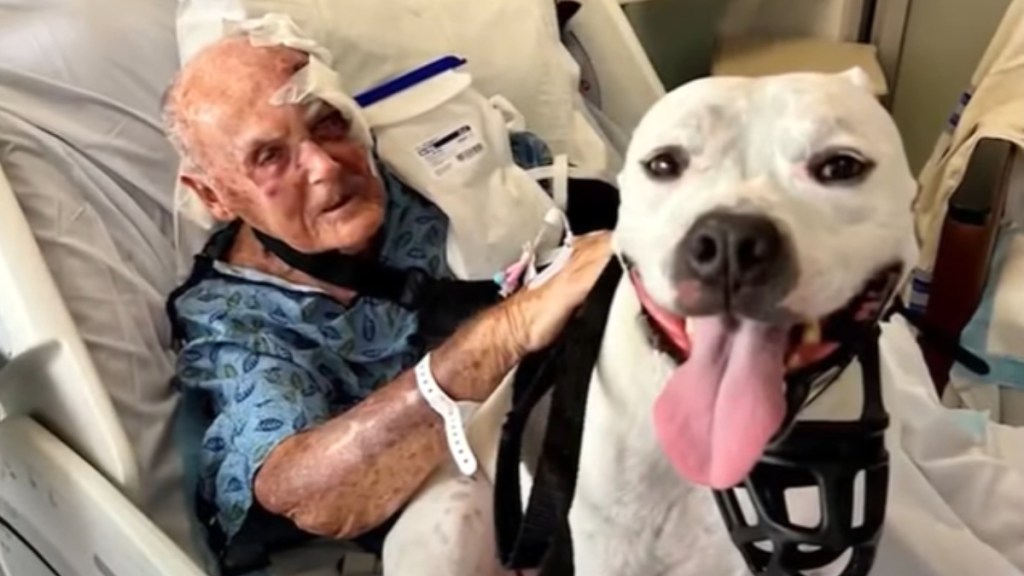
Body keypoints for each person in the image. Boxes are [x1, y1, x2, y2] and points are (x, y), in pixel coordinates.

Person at [163, 35, 612, 570]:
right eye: (269, 157)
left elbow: (583, 212)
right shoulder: (234, 319)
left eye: (326, 122)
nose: (324, 166)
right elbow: (303, 493)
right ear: (214, 196)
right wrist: (507, 330)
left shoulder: (441, 164)